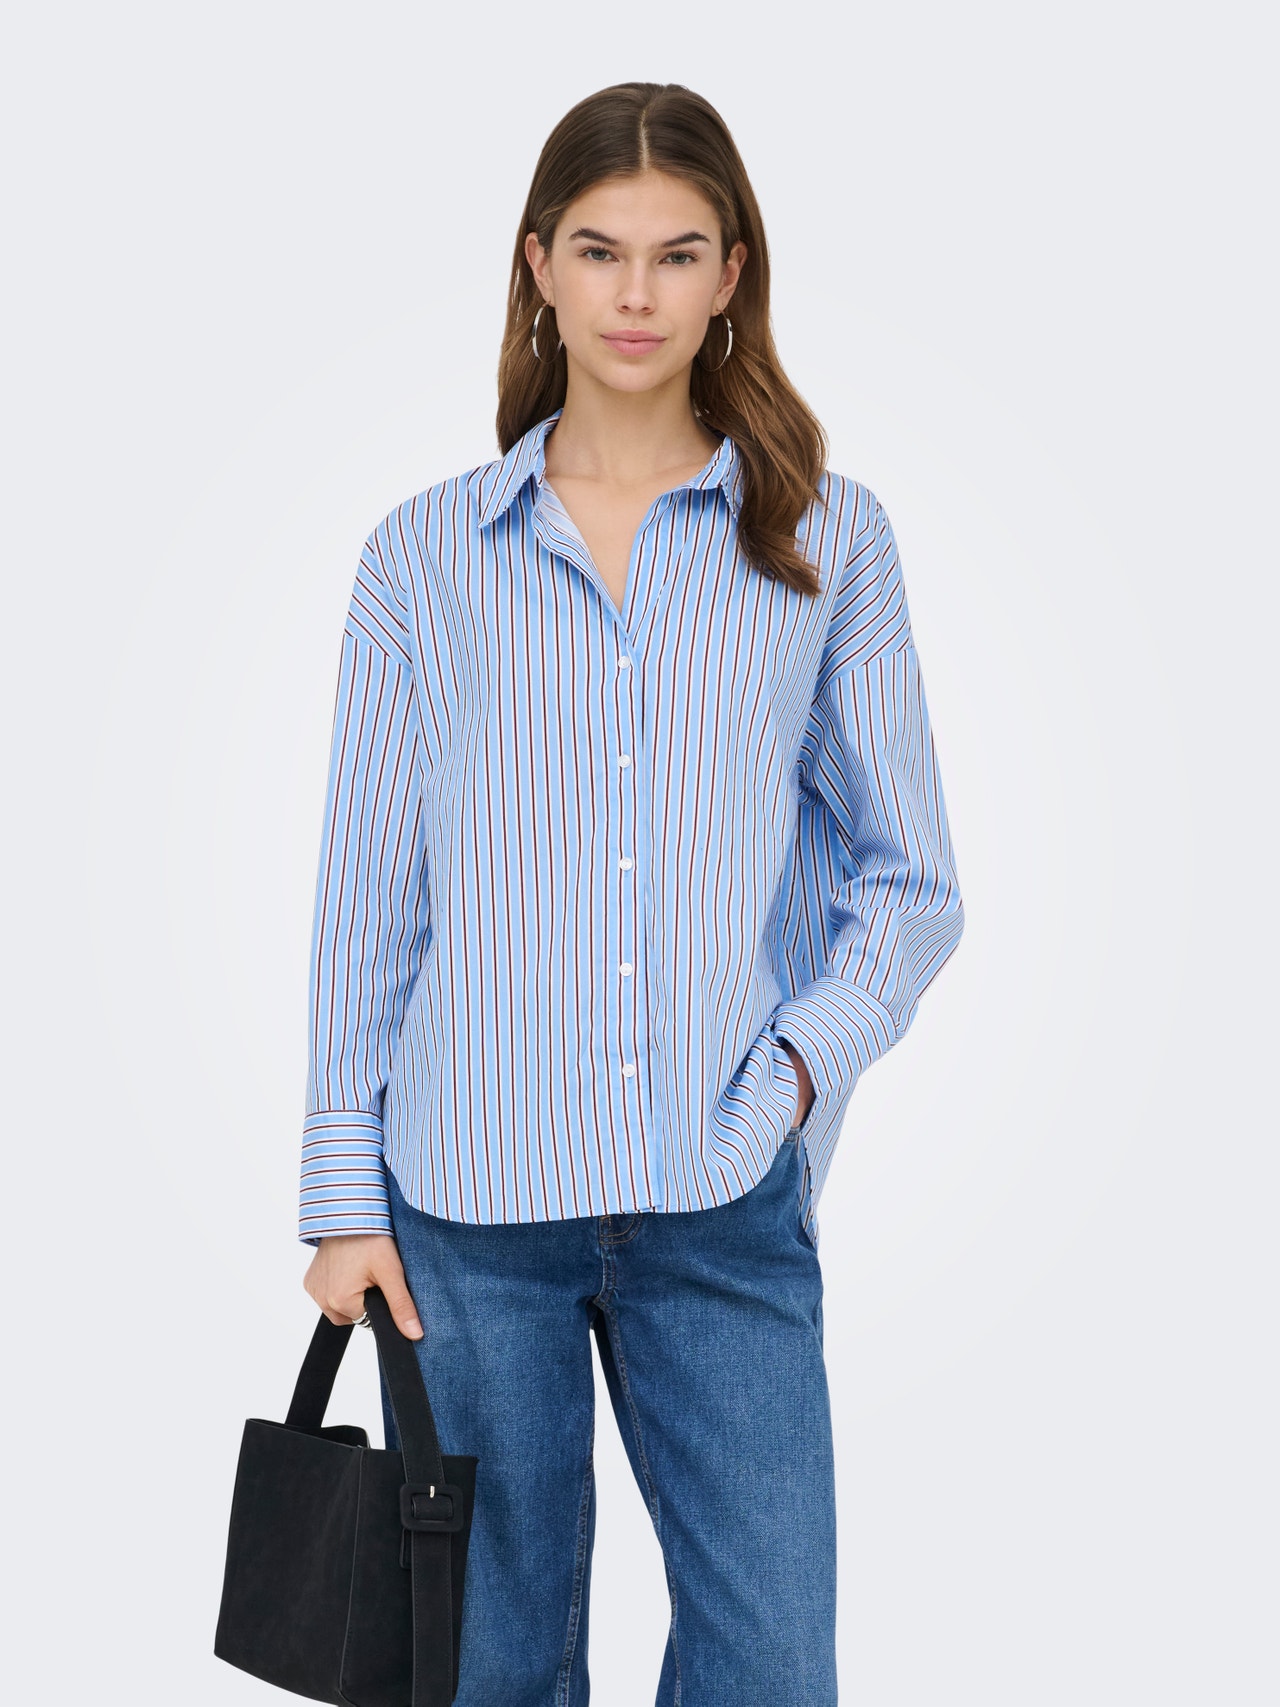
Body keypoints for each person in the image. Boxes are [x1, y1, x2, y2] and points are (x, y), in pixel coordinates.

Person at [299, 80, 963, 1707]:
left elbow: (911, 878)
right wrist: (340, 1198)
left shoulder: (826, 542)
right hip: (465, 1213)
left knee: (770, 1660)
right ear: (538, 266)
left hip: (720, 1198)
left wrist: (792, 1075)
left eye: (677, 254)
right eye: (599, 251)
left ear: (733, 274)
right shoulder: (421, 561)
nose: (636, 295)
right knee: (493, 1671)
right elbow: (368, 898)